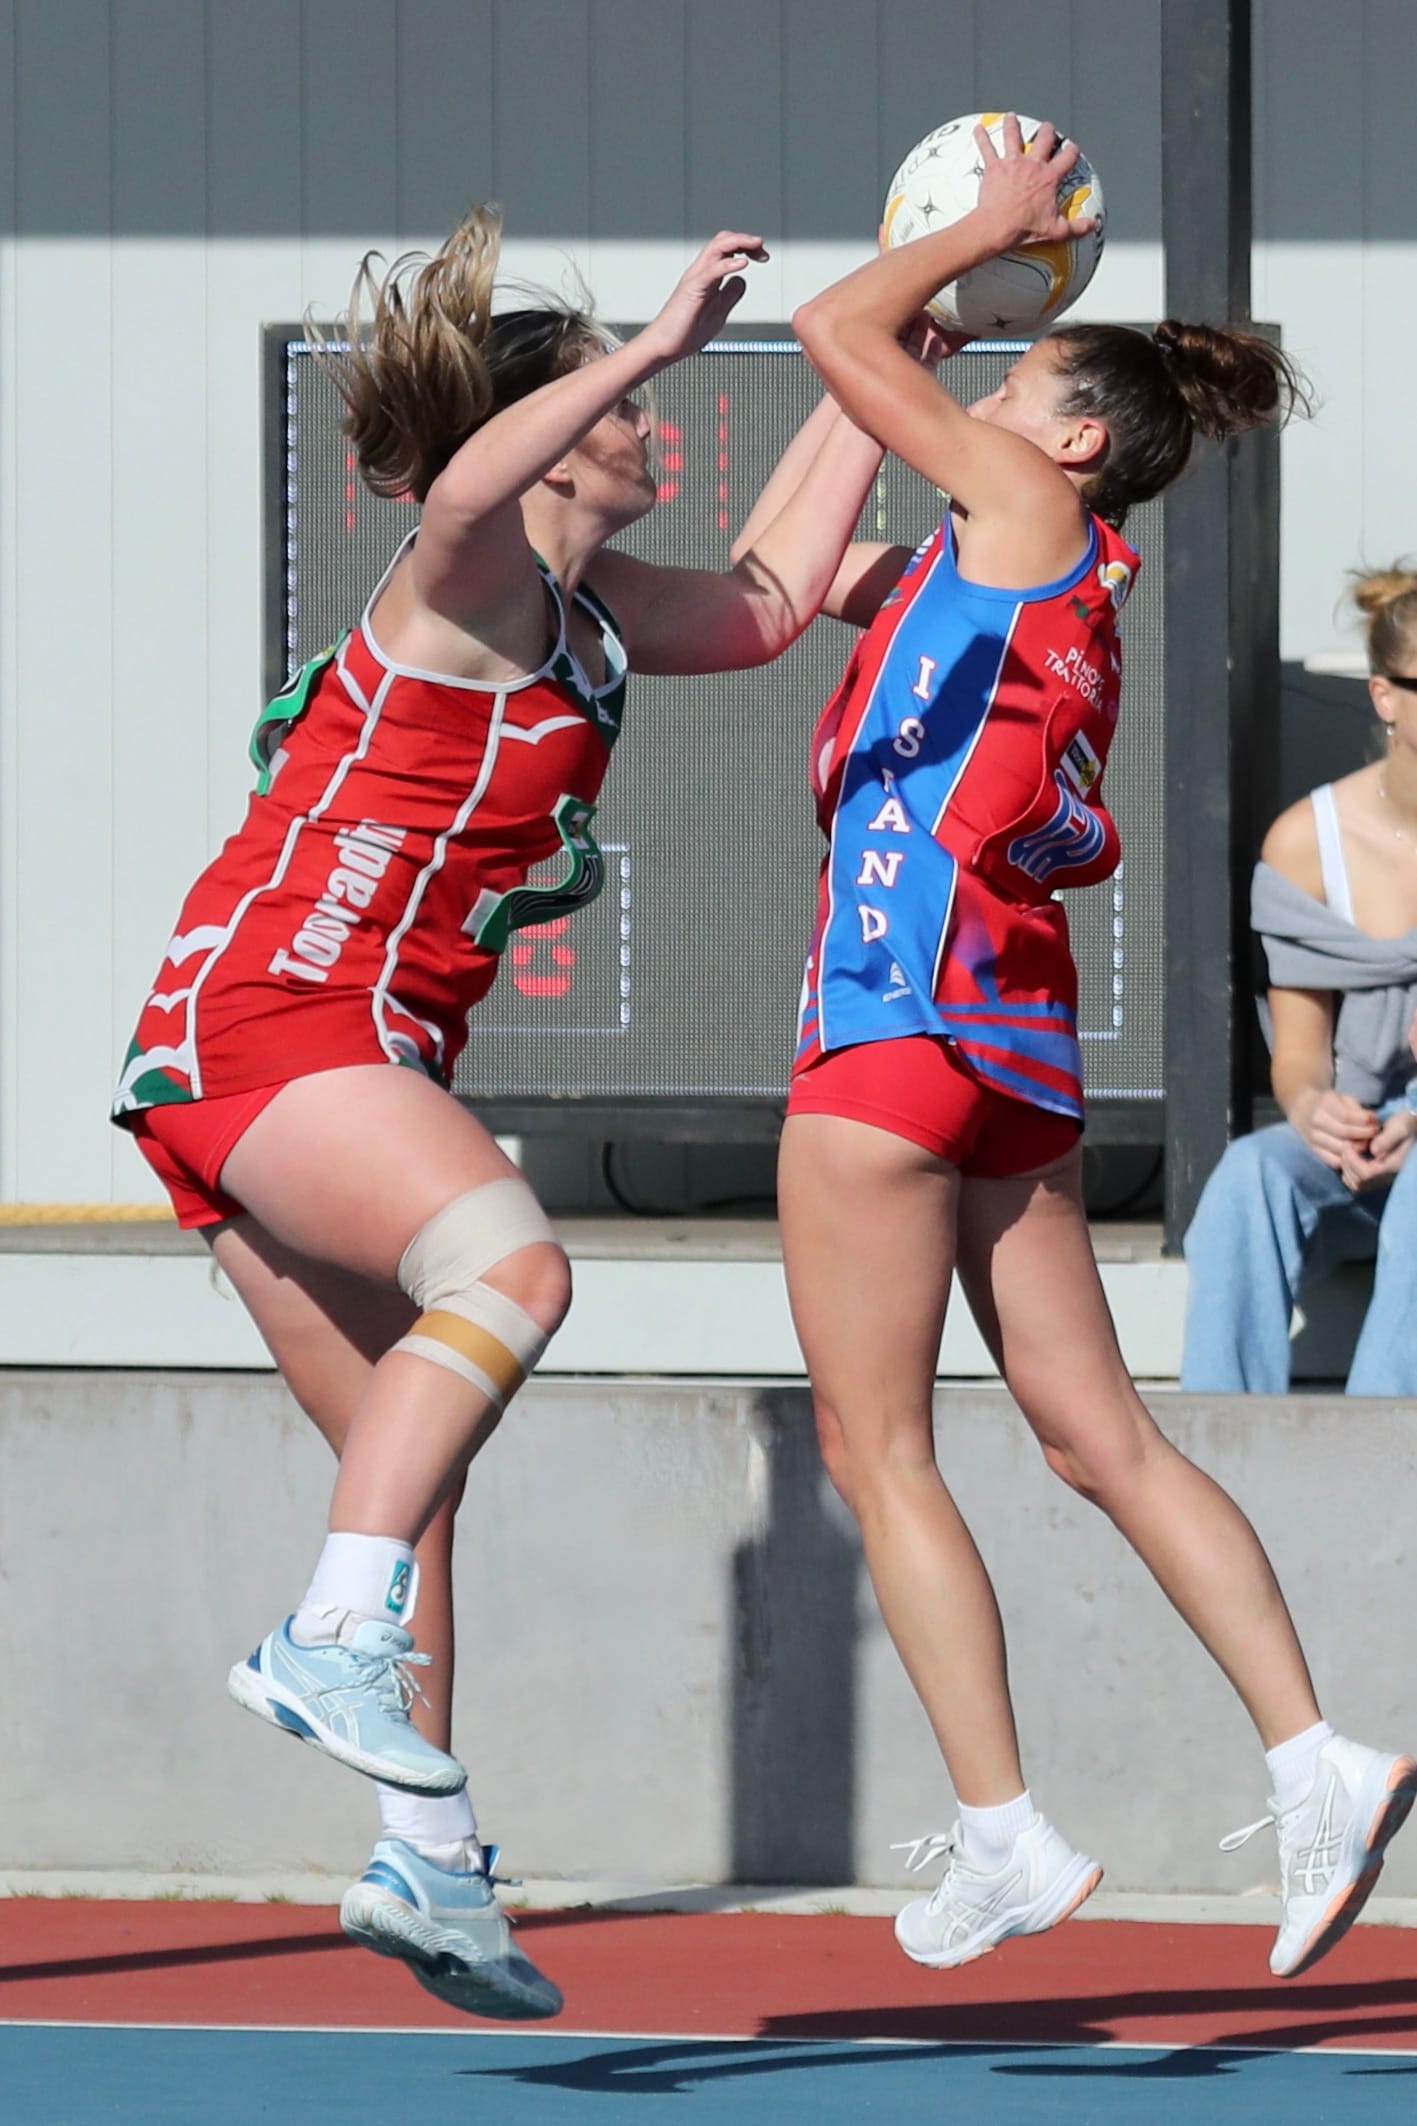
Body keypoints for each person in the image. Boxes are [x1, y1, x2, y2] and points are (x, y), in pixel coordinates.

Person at [111, 207, 893, 2017]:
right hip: (279, 1015)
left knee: (413, 1479)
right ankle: (323, 1633)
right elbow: (464, 484)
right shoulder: (460, 577)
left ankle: (428, 1854)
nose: (648, 428)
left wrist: (882, 369)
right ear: (547, 436)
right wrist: (661, 335)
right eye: (619, 406)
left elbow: (774, 601)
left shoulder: (595, 624)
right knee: (515, 1275)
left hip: (286, 1051)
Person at [771, 116, 1415, 1980]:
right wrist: (925, 344)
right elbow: (780, 572)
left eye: (1007, 381)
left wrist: (961, 243)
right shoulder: (1000, 568)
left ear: (1064, 444)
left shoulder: (1028, 513)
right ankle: (1314, 1757)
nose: (971, 393)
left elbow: (828, 327)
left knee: (875, 1445)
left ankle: (1004, 1830)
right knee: (1096, 1437)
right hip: (1004, 1047)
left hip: (894, 1018)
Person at [1183, 567, 1417, 1393]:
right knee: (1250, 1178)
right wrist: (1316, 1109)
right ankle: (1220, 1445)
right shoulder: (1306, 842)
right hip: (1362, 1140)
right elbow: (1300, 1052)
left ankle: (1382, 1447)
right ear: (1384, 697)